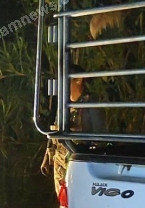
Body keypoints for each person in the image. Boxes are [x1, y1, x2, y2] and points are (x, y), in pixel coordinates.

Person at [41, 64, 106, 195]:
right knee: (62, 199)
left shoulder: (91, 104)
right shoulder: (62, 104)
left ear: (79, 80)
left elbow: (101, 139)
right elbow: (55, 130)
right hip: (60, 161)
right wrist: (47, 156)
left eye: (66, 80)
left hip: (78, 161)